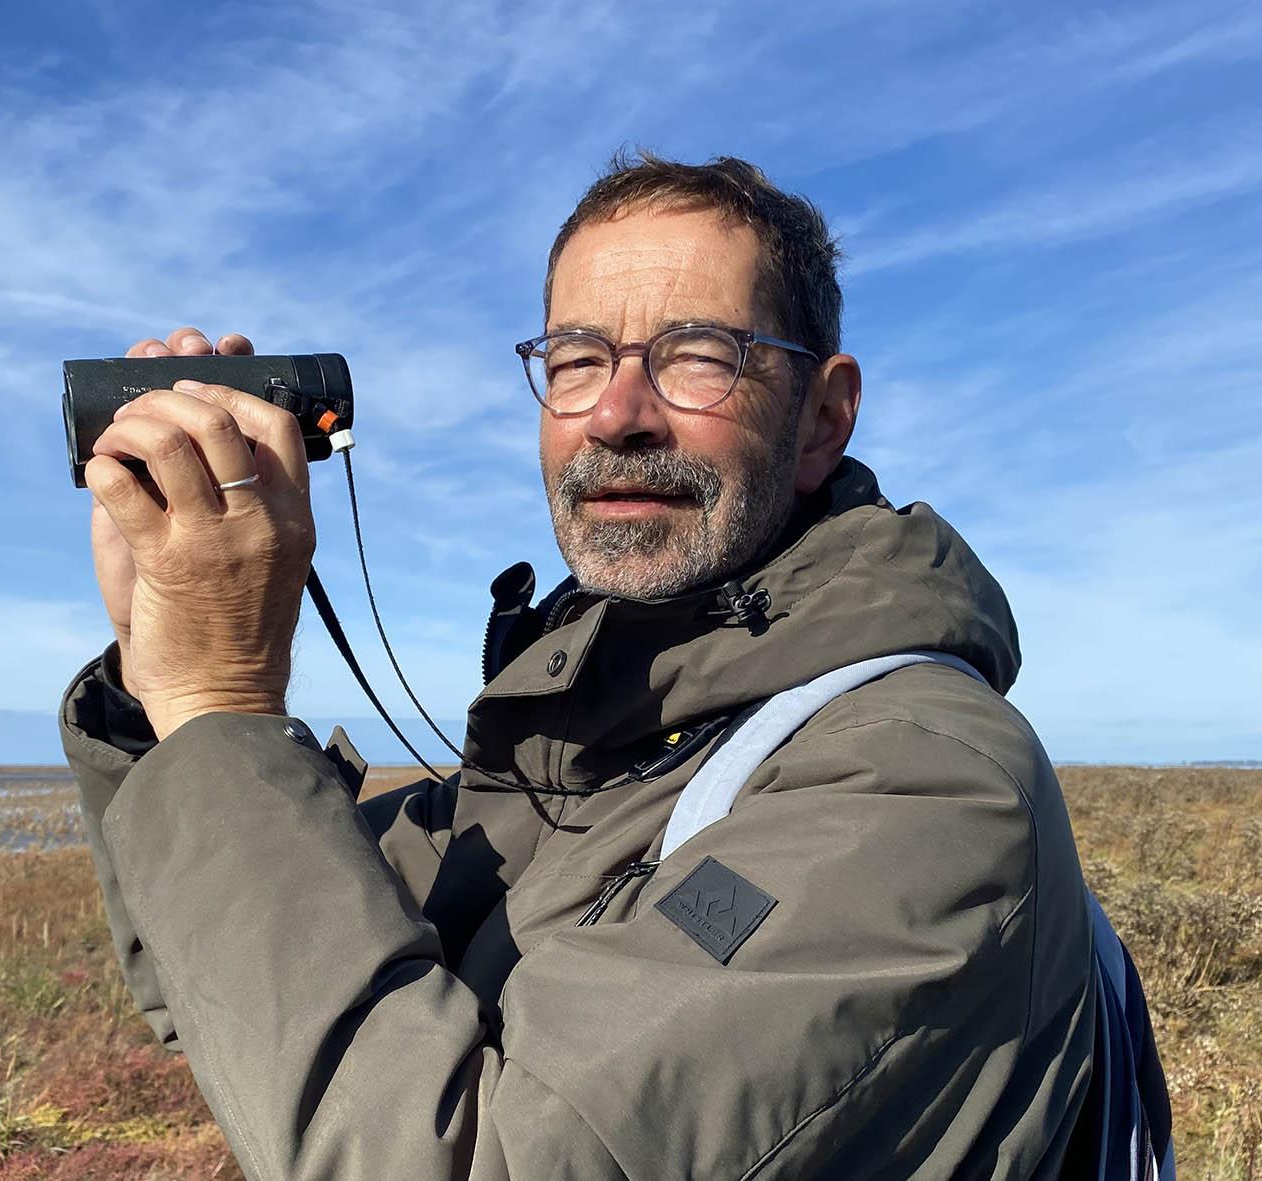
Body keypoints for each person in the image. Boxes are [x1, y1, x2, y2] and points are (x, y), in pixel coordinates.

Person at [58, 153, 1098, 1179]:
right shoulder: (577, 751)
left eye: (699, 354)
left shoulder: (920, 783)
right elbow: (228, 997)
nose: (615, 412)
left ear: (822, 415)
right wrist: (158, 682)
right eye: (575, 360)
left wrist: (220, 704)